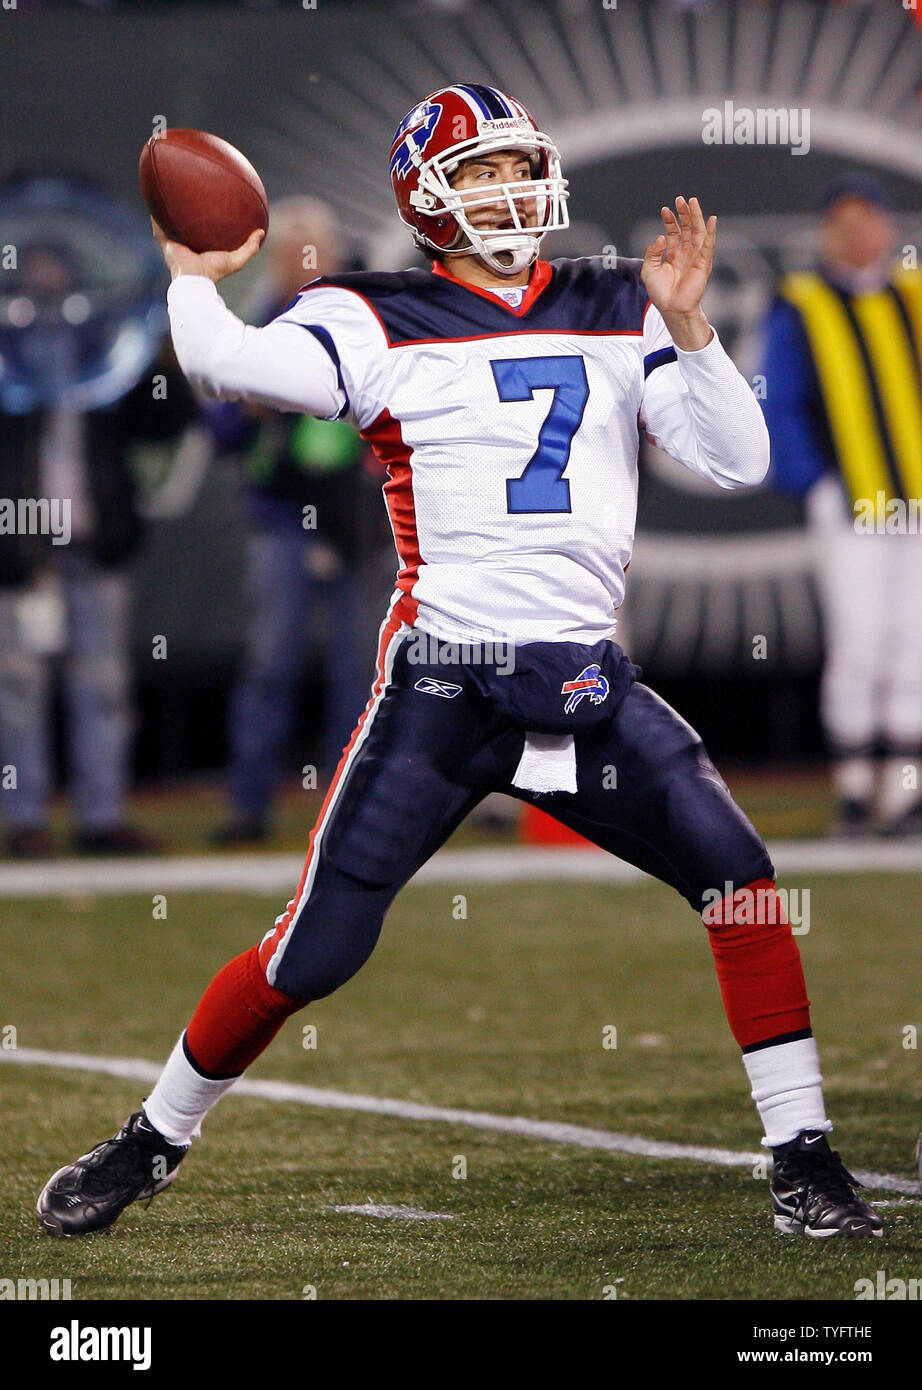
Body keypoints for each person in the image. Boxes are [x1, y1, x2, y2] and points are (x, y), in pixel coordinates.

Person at [37, 85, 882, 1239]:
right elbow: (228, 368)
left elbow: (736, 461)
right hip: (440, 686)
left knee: (741, 880)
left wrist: (692, 330)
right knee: (311, 952)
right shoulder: (367, 312)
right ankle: (151, 1135)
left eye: (516, 165)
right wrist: (194, 271)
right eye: (480, 171)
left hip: (584, 682)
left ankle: (803, 1156)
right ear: (427, 194)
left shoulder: (613, 298)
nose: (508, 189)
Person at [0, 242, 196, 857]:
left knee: (103, 686)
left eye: (58, 268)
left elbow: (164, 422)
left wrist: (161, 352)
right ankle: (26, 817)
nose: (48, 280)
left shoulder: (106, 350)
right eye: (37, 270)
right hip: (22, 548)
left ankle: (101, 816)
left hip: (96, 541)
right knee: (18, 688)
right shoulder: (7, 355)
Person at [207, 198, 383, 843]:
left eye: (316, 254)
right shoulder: (257, 329)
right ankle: (249, 802)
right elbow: (221, 427)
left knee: (360, 670)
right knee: (271, 664)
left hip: (358, 522)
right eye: (293, 254)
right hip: (282, 519)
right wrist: (250, 408)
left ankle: (349, 809)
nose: (305, 267)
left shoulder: (367, 323)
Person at [760, 173, 922, 838]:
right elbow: (778, 399)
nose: (859, 235)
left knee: (914, 643)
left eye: (869, 221)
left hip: (915, 499)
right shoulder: (801, 301)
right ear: (826, 232)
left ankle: (906, 790)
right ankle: (856, 789)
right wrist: (814, 484)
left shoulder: (913, 294)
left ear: (887, 228)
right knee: (860, 640)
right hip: (851, 502)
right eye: (845, 223)